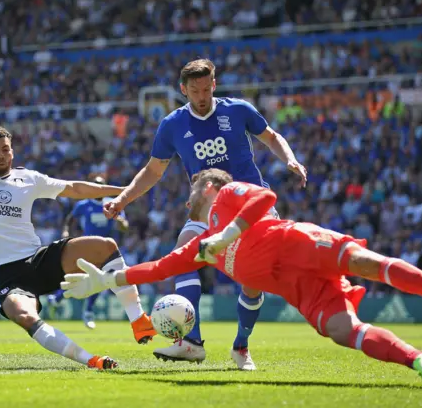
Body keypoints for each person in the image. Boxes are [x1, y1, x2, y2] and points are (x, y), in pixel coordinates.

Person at [64, 169, 422, 388]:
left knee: (368, 263)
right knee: (342, 330)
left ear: (208, 186)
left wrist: (230, 232)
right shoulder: (201, 245)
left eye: (193, 186)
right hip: (296, 287)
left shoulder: (226, 195)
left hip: (300, 243)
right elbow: (157, 268)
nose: (188, 195)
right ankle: (420, 361)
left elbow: (267, 197)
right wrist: (107, 281)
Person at [0, 71, 155, 370]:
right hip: (8, 276)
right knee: (26, 316)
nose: (2, 155)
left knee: (105, 245)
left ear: (12, 150)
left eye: (6, 149)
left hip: (39, 260)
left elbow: (75, 188)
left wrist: (126, 192)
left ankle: (139, 319)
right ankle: (91, 360)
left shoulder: (29, 178)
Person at [103, 59, 307, 369]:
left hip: (250, 204)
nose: (201, 96)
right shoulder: (172, 124)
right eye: (194, 90)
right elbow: (153, 170)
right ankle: (192, 343)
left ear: (214, 84)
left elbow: (272, 137)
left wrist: (290, 160)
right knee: (183, 254)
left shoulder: (237, 110)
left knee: (252, 282)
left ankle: (241, 346)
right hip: (206, 206)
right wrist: (123, 198)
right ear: (183, 90)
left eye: (206, 88)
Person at [48, 175, 130, 329]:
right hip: (87, 246)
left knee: (102, 279)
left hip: (106, 249)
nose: (98, 188)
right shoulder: (83, 205)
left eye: (100, 185)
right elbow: (70, 219)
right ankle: (64, 301)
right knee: (82, 276)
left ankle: (73, 305)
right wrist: (66, 232)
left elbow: (125, 226)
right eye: (95, 185)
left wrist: (120, 222)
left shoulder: (112, 204)